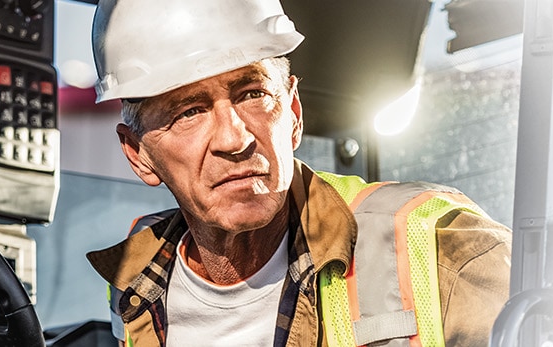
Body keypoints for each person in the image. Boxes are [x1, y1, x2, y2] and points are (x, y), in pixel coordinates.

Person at [82, 0, 512, 346]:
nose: (235, 139)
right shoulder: (135, 286)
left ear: (292, 114)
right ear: (138, 154)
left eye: (253, 94)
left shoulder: (441, 247)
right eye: (189, 111)